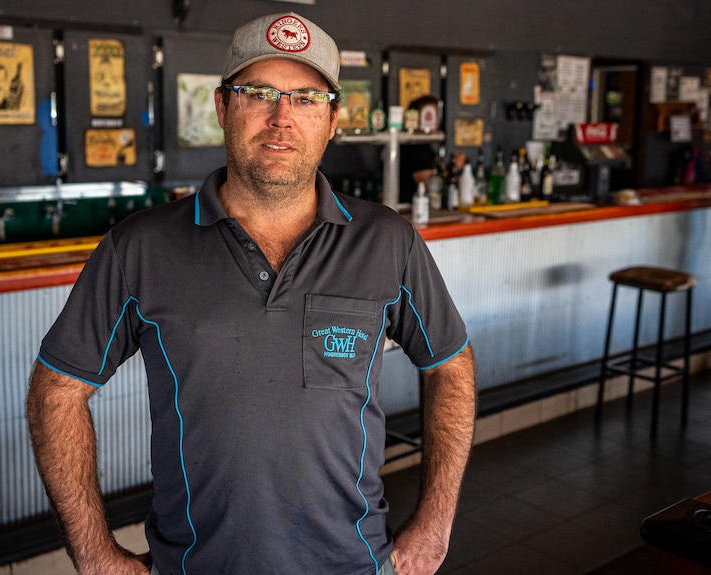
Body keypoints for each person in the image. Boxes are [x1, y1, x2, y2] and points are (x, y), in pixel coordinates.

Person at [26, 11, 476, 575]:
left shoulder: (387, 242)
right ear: (222, 107)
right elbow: (56, 390)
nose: (281, 117)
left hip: (354, 566)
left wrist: (434, 526)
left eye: (306, 98)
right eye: (258, 92)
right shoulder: (139, 249)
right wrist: (94, 556)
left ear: (333, 118)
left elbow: (451, 366)